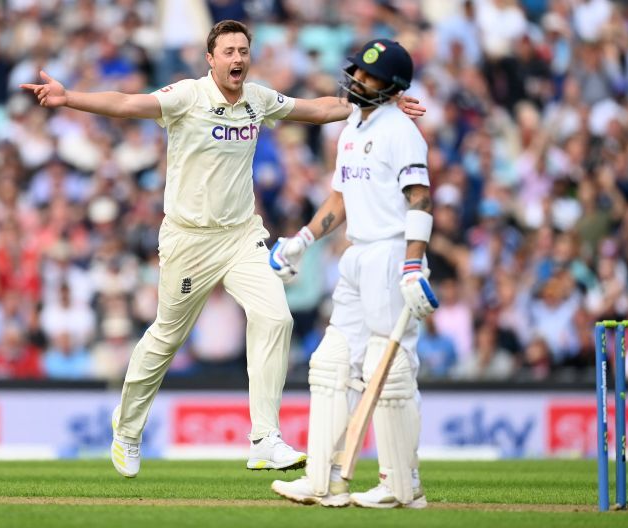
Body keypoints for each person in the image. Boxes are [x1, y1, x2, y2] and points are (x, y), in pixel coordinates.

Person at [22, 20, 425, 479]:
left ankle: (264, 438)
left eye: (242, 50)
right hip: (188, 237)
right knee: (167, 337)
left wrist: (383, 102)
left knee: (276, 317)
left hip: (240, 235)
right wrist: (68, 97)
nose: (237, 58)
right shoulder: (187, 96)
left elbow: (318, 109)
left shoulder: (257, 99)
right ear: (210, 60)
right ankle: (128, 428)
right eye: (228, 52)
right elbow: (127, 103)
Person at [269, 39, 438, 508]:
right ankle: (322, 479)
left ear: (394, 86)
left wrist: (411, 264)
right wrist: (302, 240)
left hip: (391, 254)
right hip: (357, 254)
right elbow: (340, 198)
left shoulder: (401, 131)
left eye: (370, 76)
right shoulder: (350, 127)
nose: (358, 81)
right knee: (330, 365)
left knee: (391, 370)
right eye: (357, 73)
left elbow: (420, 199)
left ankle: (402, 484)